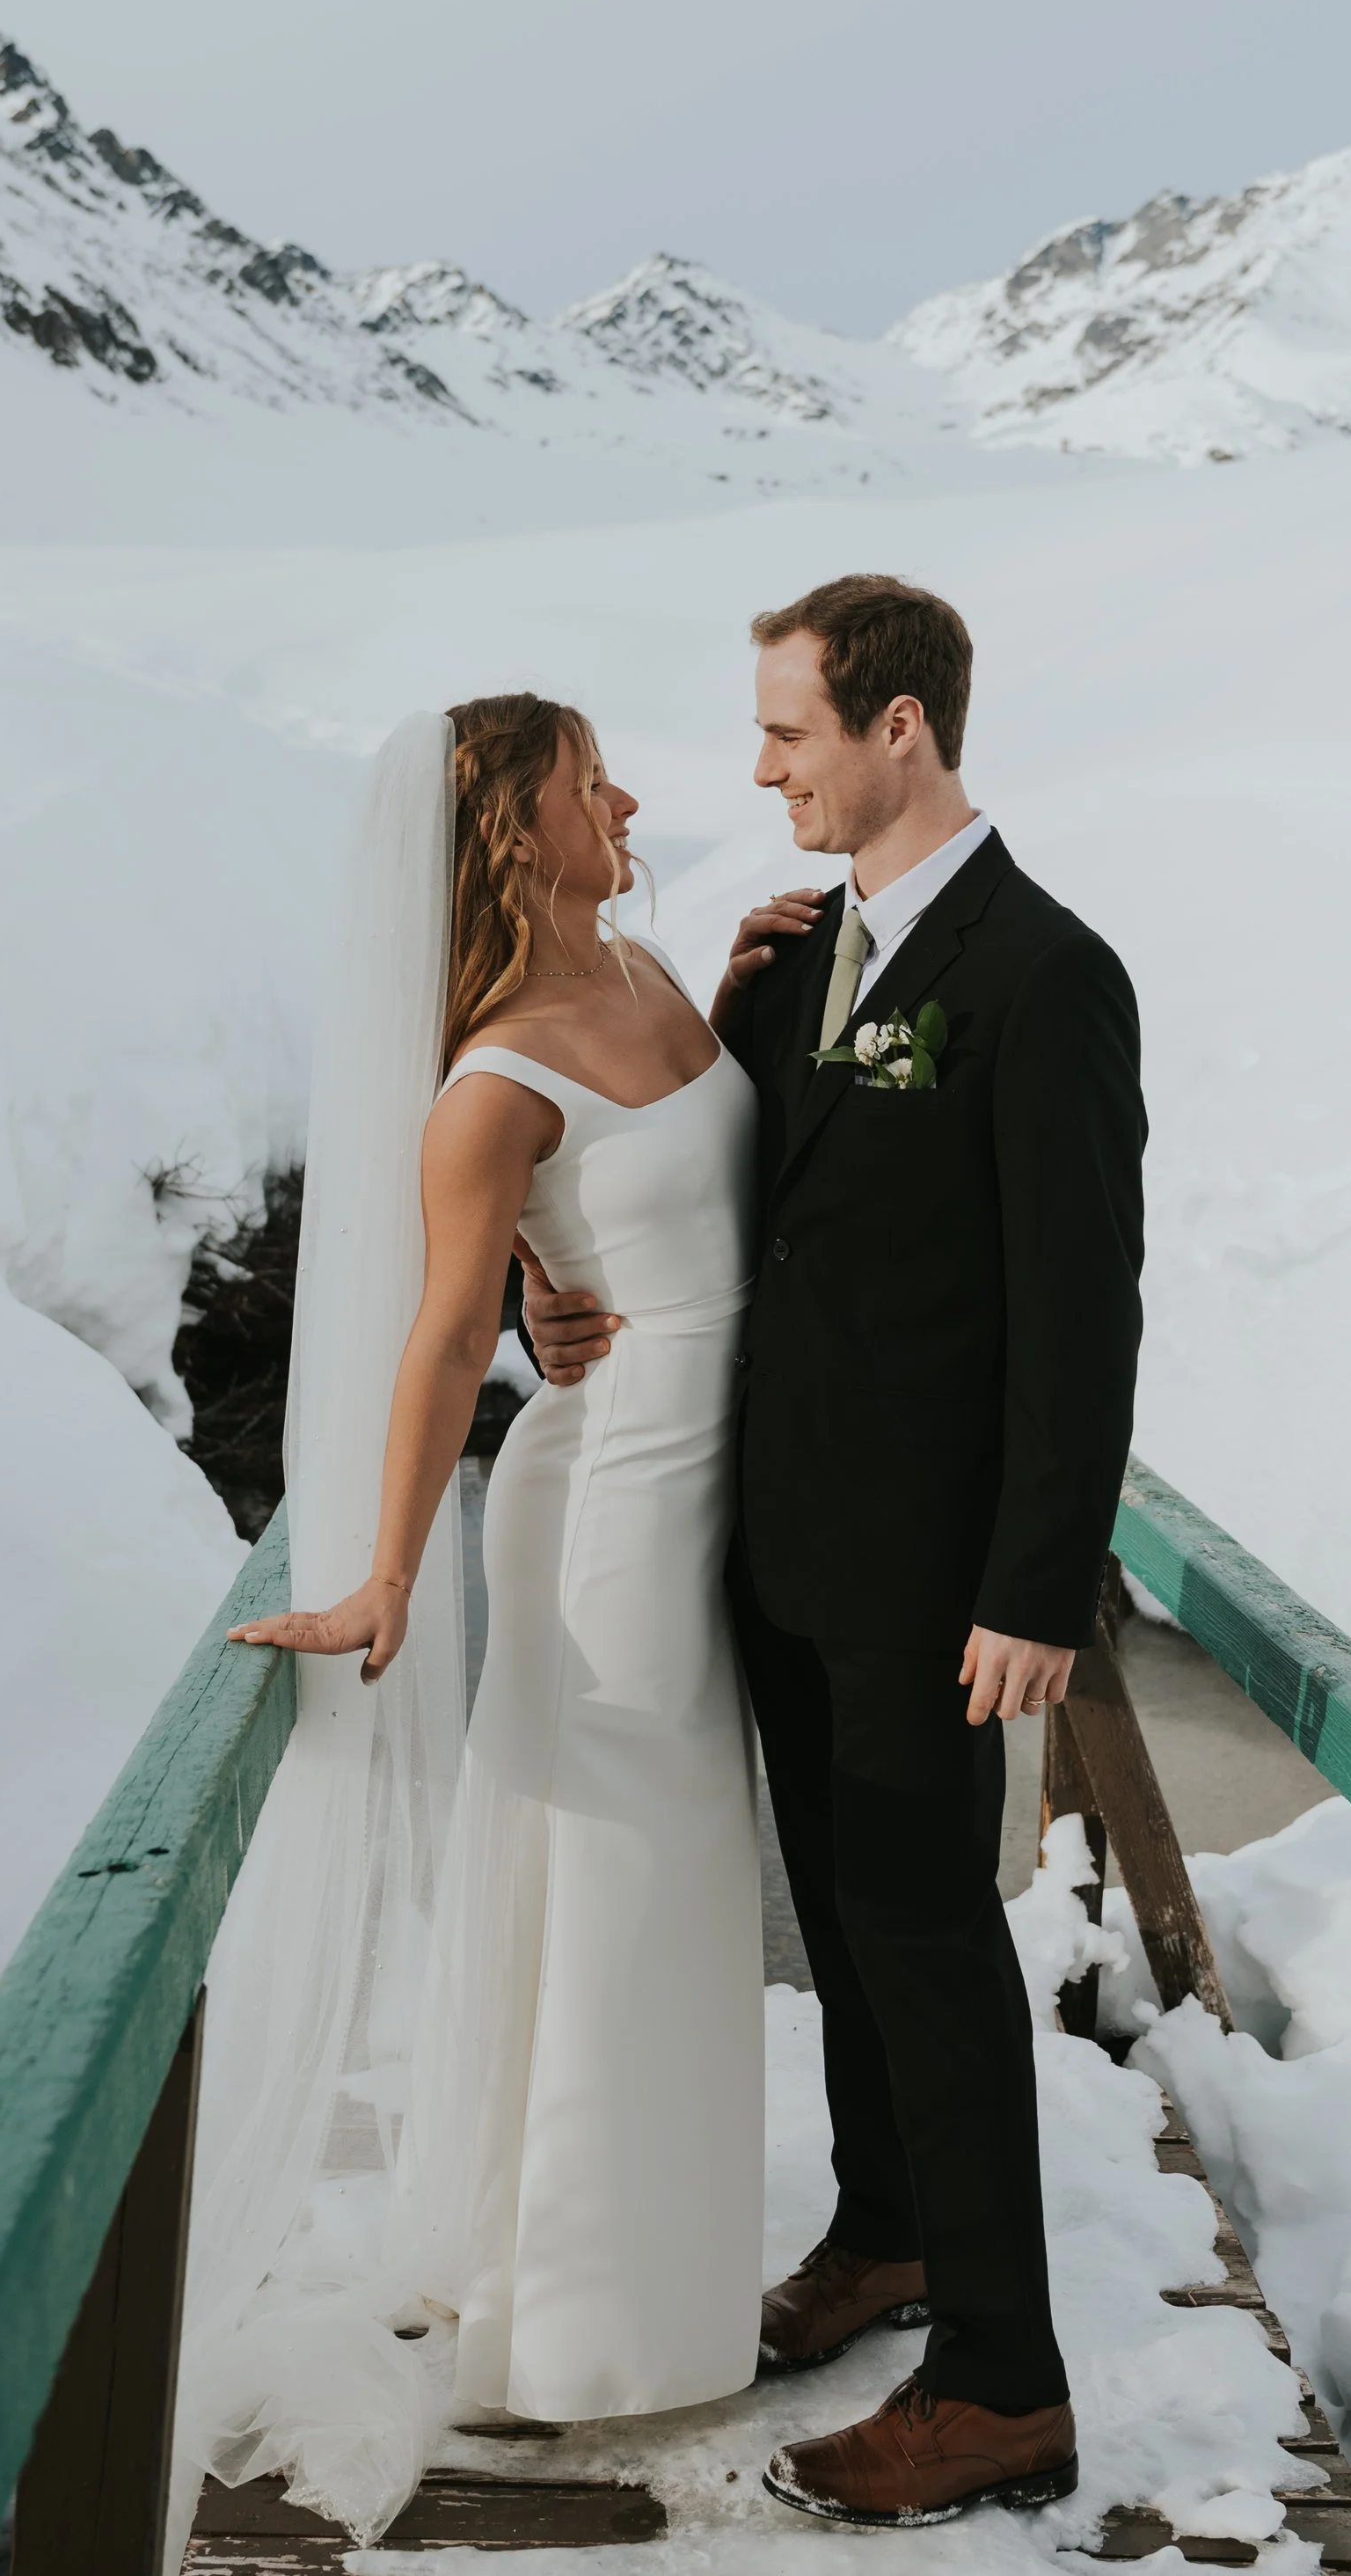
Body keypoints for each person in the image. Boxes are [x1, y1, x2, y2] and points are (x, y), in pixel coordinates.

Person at [525, 575, 1146, 2528]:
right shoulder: (800, 959)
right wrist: (553, 1282)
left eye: (787, 732)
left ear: (900, 728)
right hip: (782, 1550)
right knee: (856, 1933)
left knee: (932, 1951)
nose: (760, 769)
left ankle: (1004, 2390)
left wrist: (1034, 1585)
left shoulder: (1046, 975)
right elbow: (734, 1202)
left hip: (931, 1584)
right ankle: (886, 2233)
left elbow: (1081, 1313)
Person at [229, 693, 763, 2430]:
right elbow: (447, 1340)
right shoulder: (490, 1084)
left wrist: (748, 992)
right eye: (586, 782)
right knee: (622, 1890)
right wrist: (386, 1575)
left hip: (721, 1485)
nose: (627, 799)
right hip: (608, 1514)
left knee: (677, 1887)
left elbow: (682, 1188)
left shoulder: (657, 973)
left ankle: (623, 2271)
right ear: (509, 837)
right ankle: (582, 2326)